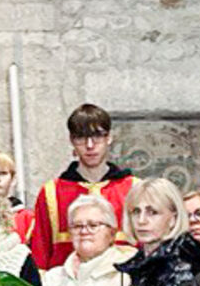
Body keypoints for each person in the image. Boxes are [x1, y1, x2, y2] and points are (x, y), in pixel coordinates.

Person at [30, 103, 135, 269]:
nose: (90, 145)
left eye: (97, 136)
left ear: (109, 138)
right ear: (71, 140)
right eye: (81, 138)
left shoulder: (133, 189)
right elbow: (40, 254)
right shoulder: (52, 193)